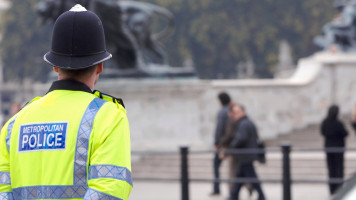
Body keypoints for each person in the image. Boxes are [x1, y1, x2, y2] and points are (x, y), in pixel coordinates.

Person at [0, 4, 132, 200]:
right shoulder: (108, 117)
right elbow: (109, 189)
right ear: (100, 66)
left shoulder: (15, 124)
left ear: (55, 66)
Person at [228, 104, 265, 200]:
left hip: (245, 155)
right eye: (234, 113)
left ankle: (261, 195)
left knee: (251, 176)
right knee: (240, 176)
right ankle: (234, 195)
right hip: (247, 154)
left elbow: (241, 138)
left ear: (243, 112)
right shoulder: (247, 122)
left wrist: (232, 145)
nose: (235, 115)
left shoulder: (244, 124)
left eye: (237, 113)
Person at [321, 105, 348, 195]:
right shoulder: (338, 123)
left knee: (331, 168)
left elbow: (322, 132)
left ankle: (332, 188)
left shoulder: (325, 122)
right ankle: (339, 188)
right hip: (338, 148)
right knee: (339, 168)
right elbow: (345, 133)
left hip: (329, 147)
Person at [211, 92, 231, 195]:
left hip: (223, 144)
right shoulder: (232, 110)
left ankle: (216, 188)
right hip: (232, 143)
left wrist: (216, 143)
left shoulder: (222, 112)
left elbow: (219, 129)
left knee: (216, 165)